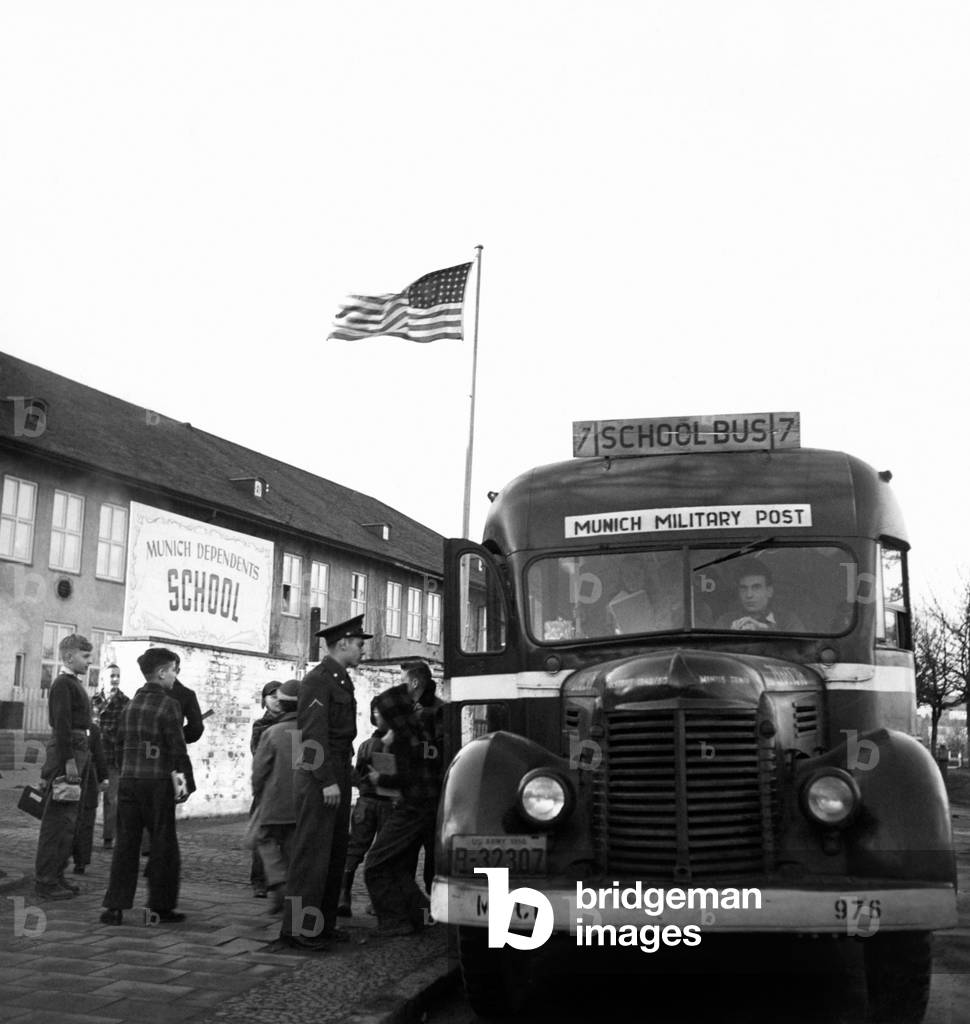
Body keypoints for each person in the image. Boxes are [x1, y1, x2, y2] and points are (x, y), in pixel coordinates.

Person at [279, 614, 369, 950]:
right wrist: (327, 781)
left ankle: (322, 925)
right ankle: (298, 930)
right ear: (342, 643)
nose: (362, 650)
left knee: (332, 854)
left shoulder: (341, 679)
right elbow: (311, 735)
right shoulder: (318, 679)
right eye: (359, 644)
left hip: (338, 774)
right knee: (311, 856)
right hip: (321, 778)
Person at [100, 647, 192, 925]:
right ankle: (160, 907)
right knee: (164, 845)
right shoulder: (168, 705)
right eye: (174, 670)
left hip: (129, 781)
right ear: (162, 673)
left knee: (126, 845)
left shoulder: (129, 705)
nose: (175, 676)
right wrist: (184, 785)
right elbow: (177, 750)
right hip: (157, 783)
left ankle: (114, 907)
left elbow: (116, 744)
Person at [363, 685, 440, 937]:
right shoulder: (420, 731)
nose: (378, 716)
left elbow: (405, 777)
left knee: (375, 864)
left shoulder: (402, 739)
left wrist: (378, 779)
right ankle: (422, 914)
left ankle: (395, 921)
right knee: (395, 866)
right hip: (428, 808)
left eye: (381, 712)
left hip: (411, 809)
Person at [33, 634, 95, 900]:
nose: (89, 662)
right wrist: (69, 761)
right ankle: (46, 881)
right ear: (69, 657)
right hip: (68, 755)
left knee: (69, 820)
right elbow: (61, 725)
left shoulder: (72, 684)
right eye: (85, 656)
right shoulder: (62, 685)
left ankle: (57, 875)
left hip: (78, 751)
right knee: (58, 821)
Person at [337, 697, 392, 917]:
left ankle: (344, 896)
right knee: (385, 853)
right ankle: (378, 901)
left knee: (354, 850)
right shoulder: (393, 744)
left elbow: (357, 774)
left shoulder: (365, 745)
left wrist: (361, 783)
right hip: (387, 805)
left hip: (366, 802)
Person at [250, 679, 300, 914]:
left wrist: (258, 793)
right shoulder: (312, 734)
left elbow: (259, 770)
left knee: (263, 838)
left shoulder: (272, 732)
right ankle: (294, 900)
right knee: (293, 849)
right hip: (301, 803)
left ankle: (278, 881)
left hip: (273, 801)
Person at [402, 661, 445, 896]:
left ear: (415, 682)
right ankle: (411, 898)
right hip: (414, 788)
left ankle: (433, 896)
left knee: (430, 847)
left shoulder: (436, 710)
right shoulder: (414, 709)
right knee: (408, 848)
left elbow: (440, 749)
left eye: (402, 681)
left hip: (429, 790)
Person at [250, 680, 283, 897]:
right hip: (267, 787)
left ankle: (278, 881)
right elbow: (258, 756)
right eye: (272, 697)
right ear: (264, 700)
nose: (277, 701)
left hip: (286, 787)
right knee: (262, 836)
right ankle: (259, 880)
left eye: (280, 696)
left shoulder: (297, 724)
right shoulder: (261, 726)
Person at [717, 560, 806, 632]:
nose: (749, 595)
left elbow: (800, 650)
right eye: (744, 588)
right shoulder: (726, 621)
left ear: (769, 591)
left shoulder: (788, 621)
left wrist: (766, 632)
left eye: (756, 588)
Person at [96, 664, 129, 848]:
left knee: (111, 799)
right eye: (111, 676)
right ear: (103, 678)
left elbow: (125, 732)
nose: (115, 679)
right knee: (89, 799)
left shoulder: (125, 702)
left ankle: (108, 837)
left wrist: (107, 733)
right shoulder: (93, 700)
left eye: (117, 676)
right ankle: (81, 840)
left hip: (113, 758)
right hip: (93, 757)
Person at [70, 721, 109, 873]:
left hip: (69, 779)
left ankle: (63, 861)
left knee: (68, 821)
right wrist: (103, 777)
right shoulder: (91, 729)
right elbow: (99, 755)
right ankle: (80, 862)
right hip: (87, 779)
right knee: (85, 822)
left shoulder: (65, 726)